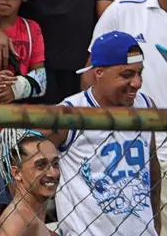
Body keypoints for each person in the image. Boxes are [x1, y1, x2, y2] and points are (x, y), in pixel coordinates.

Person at [56, 32, 159, 236]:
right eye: (127, 75)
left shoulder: (146, 105)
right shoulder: (70, 113)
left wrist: (156, 224)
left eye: (140, 73)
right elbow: (25, 170)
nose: (137, 83)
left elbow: (152, 167)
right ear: (99, 72)